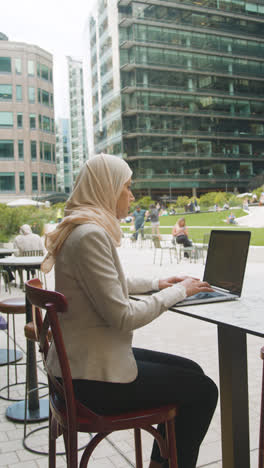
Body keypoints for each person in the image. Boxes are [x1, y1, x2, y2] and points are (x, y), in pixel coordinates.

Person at [41, 154, 218, 468]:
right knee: (203, 390)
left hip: (76, 366)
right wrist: (178, 292)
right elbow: (122, 317)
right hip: (91, 381)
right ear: (107, 189)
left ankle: (161, 464)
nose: (132, 195)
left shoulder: (79, 229)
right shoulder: (90, 235)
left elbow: (107, 283)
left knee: (190, 370)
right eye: (127, 187)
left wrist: (158, 282)